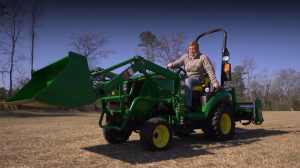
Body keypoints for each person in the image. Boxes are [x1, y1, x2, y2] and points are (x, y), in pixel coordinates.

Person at [167, 41, 220, 112]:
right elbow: (178, 62)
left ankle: (187, 106)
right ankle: (170, 103)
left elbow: (210, 70)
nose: (191, 51)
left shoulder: (203, 58)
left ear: (197, 49)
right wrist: (172, 64)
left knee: (188, 81)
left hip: (198, 80)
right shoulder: (185, 57)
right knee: (174, 80)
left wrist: (214, 82)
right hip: (187, 78)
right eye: (190, 49)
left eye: (193, 49)